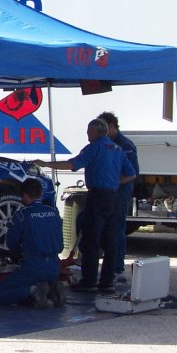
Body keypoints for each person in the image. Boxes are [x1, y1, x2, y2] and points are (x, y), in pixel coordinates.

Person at [33, 118, 135, 293]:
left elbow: (72, 164)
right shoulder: (117, 149)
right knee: (110, 240)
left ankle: (89, 281)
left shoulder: (94, 148)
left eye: (88, 131)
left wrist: (45, 164)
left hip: (98, 196)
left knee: (91, 239)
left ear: (95, 131)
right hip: (115, 196)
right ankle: (107, 282)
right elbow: (131, 174)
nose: (87, 134)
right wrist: (114, 182)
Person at [0, 178, 65, 308]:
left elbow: (11, 245)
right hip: (55, 266)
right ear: (41, 193)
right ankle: (52, 289)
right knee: (41, 279)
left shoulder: (22, 215)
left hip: (33, 266)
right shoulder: (54, 212)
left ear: (24, 195)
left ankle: (33, 291)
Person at [97, 111, 139, 281]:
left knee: (116, 228)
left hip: (120, 192)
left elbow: (132, 172)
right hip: (107, 192)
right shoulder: (104, 143)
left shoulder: (124, 145)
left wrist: (111, 182)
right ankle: (109, 263)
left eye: (104, 128)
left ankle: (117, 265)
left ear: (112, 126)